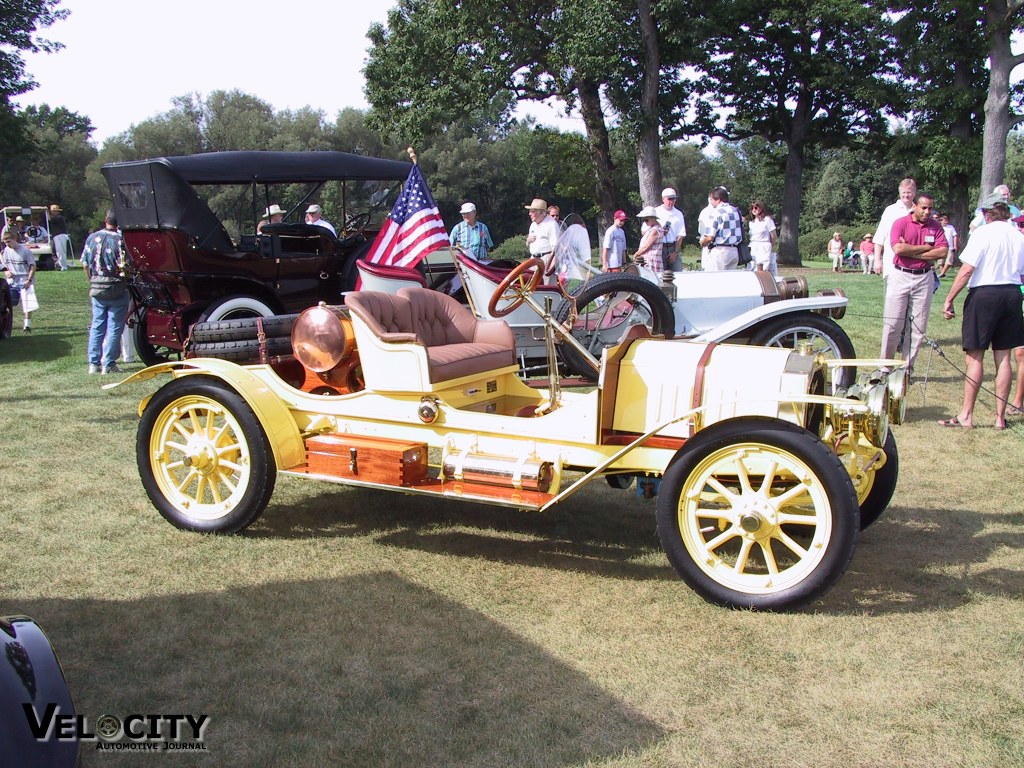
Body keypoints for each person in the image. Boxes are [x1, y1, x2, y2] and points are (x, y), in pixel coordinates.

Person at [938, 198, 1024, 429]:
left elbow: (967, 269)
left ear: (986, 214)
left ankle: (967, 415)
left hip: (985, 294)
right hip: (1012, 293)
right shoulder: (1018, 236)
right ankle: (999, 418)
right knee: (1003, 357)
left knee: (975, 355)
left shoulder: (983, 234)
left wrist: (949, 299)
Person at [879, 191, 948, 379]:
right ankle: (885, 367)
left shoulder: (935, 227)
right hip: (900, 275)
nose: (927, 212)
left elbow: (943, 252)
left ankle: (906, 369)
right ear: (915, 206)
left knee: (918, 327)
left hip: (924, 278)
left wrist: (913, 252)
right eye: (924, 207)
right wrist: (927, 248)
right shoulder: (901, 223)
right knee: (893, 324)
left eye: (930, 208)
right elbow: (898, 249)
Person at [81, 210, 130, 375]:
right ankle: (108, 363)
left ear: (105, 220)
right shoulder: (120, 240)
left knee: (97, 325)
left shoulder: (92, 238)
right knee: (115, 326)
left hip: (97, 285)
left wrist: (92, 281)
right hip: (116, 286)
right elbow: (126, 265)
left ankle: (93, 363)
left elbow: (85, 264)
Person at [873, 178, 917, 277]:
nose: (906, 195)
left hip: (914, 264)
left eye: (909, 192)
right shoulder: (890, 211)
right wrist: (877, 260)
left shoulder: (918, 211)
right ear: (899, 193)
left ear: (914, 193)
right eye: (903, 192)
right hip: (892, 263)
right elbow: (880, 237)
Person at [1, 228, 38, 331]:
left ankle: (27, 325)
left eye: (9, 241)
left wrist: (29, 280)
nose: (7, 244)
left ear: (14, 239)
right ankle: (6, 323)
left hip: (25, 280)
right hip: (12, 282)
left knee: (27, 304)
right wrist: (6, 272)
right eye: (5, 242)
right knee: (9, 302)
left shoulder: (25, 251)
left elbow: (33, 266)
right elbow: (4, 265)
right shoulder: (5, 251)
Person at [698, 186, 743, 271]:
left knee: (716, 281)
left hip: (720, 250)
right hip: (734, 250)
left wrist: (702, 243)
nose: (711, 202)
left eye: (712, 200)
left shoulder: (716, 212)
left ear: (718, 199)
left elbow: (709, 237)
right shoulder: (736, 211)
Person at [525, 198, 559, 277]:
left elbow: (556, 249)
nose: (529, 214)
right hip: (533, 260)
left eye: (532, 211)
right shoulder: (533, 224)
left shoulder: (551, 224)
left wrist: (551, 267)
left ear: (541, 212)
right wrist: (528, 241)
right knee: (532, 288)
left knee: (547, 287)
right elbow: (528, 243)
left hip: (546, 261)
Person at [655, 187, 686, 271]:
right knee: (659, 275)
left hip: (672, 246)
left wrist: (675, 252)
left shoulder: (678, 214)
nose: (671, 202)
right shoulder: (656, 212)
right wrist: (660, 232)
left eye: (674, 199)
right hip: (659, 246)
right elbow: (645, 232)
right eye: (669, 199)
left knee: (677, 273)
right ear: (663, 199)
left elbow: (681, 235)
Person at [748, 200, 777, 275]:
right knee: (752, 267)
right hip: (753, 246)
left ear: (760, 208)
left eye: (756, 208)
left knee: (763, 269)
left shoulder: (767, 220)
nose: (754, 210)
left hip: (764, 246)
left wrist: (771, 246)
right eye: (752, 208)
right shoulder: (752, 222)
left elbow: (773, 236)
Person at [632, 207, 666, 272]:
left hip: (651, 262)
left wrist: (637, 254)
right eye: (643, 220)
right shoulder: (654, 228)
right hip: (650, 260)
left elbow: (646, 247)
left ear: (653, 218)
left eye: (646, 220)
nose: (645, 222)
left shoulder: (655, 230)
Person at [49, 204, 72, 271]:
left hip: (60, 235)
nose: (52, 212)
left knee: (60, 252)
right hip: (58, 236)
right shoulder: (57, 218)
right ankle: (62, 265)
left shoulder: (59, 217)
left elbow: (50, 219)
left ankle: (64, 267)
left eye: (54, 211)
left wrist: (46, 213)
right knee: (60, 251)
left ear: (57, 212)